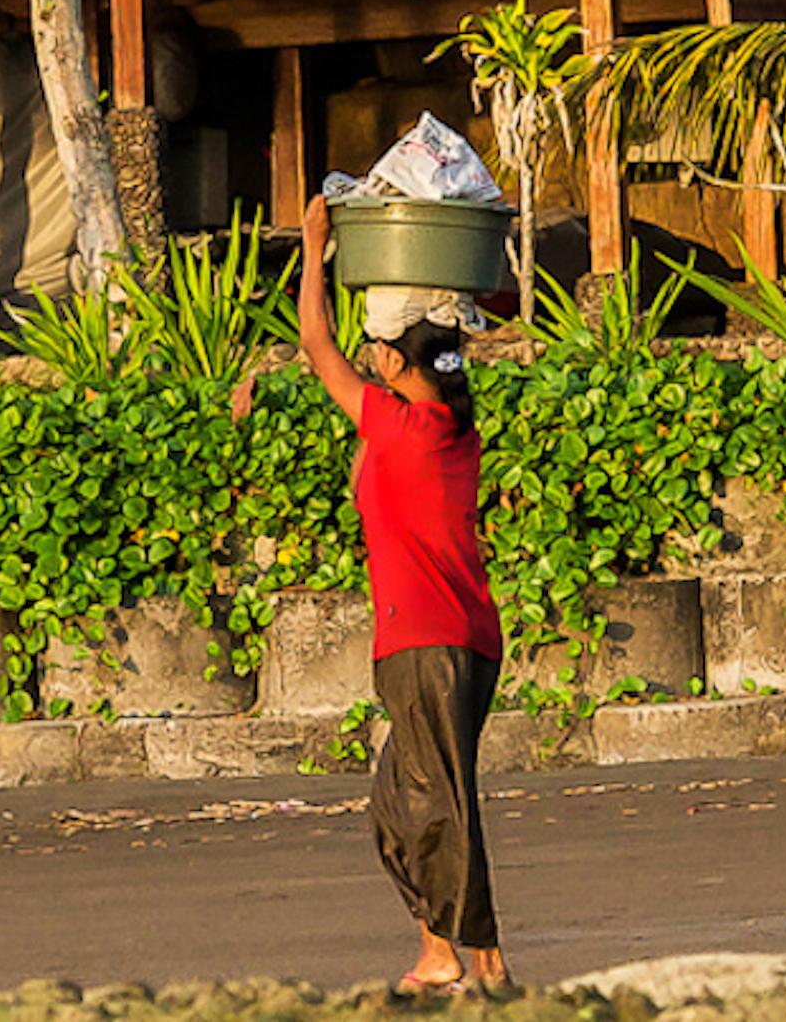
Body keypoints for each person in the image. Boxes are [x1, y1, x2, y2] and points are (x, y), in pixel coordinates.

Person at [295, 195, 507, 995]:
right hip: (451, 641)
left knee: (439, 808)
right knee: (401, 807)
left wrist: (316, 246)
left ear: (390, 361)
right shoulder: (445, 427)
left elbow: (315, 344)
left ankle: (482, 960)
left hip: (428, 643)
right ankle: (439, 951)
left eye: (375, 350)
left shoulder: (402, 427)